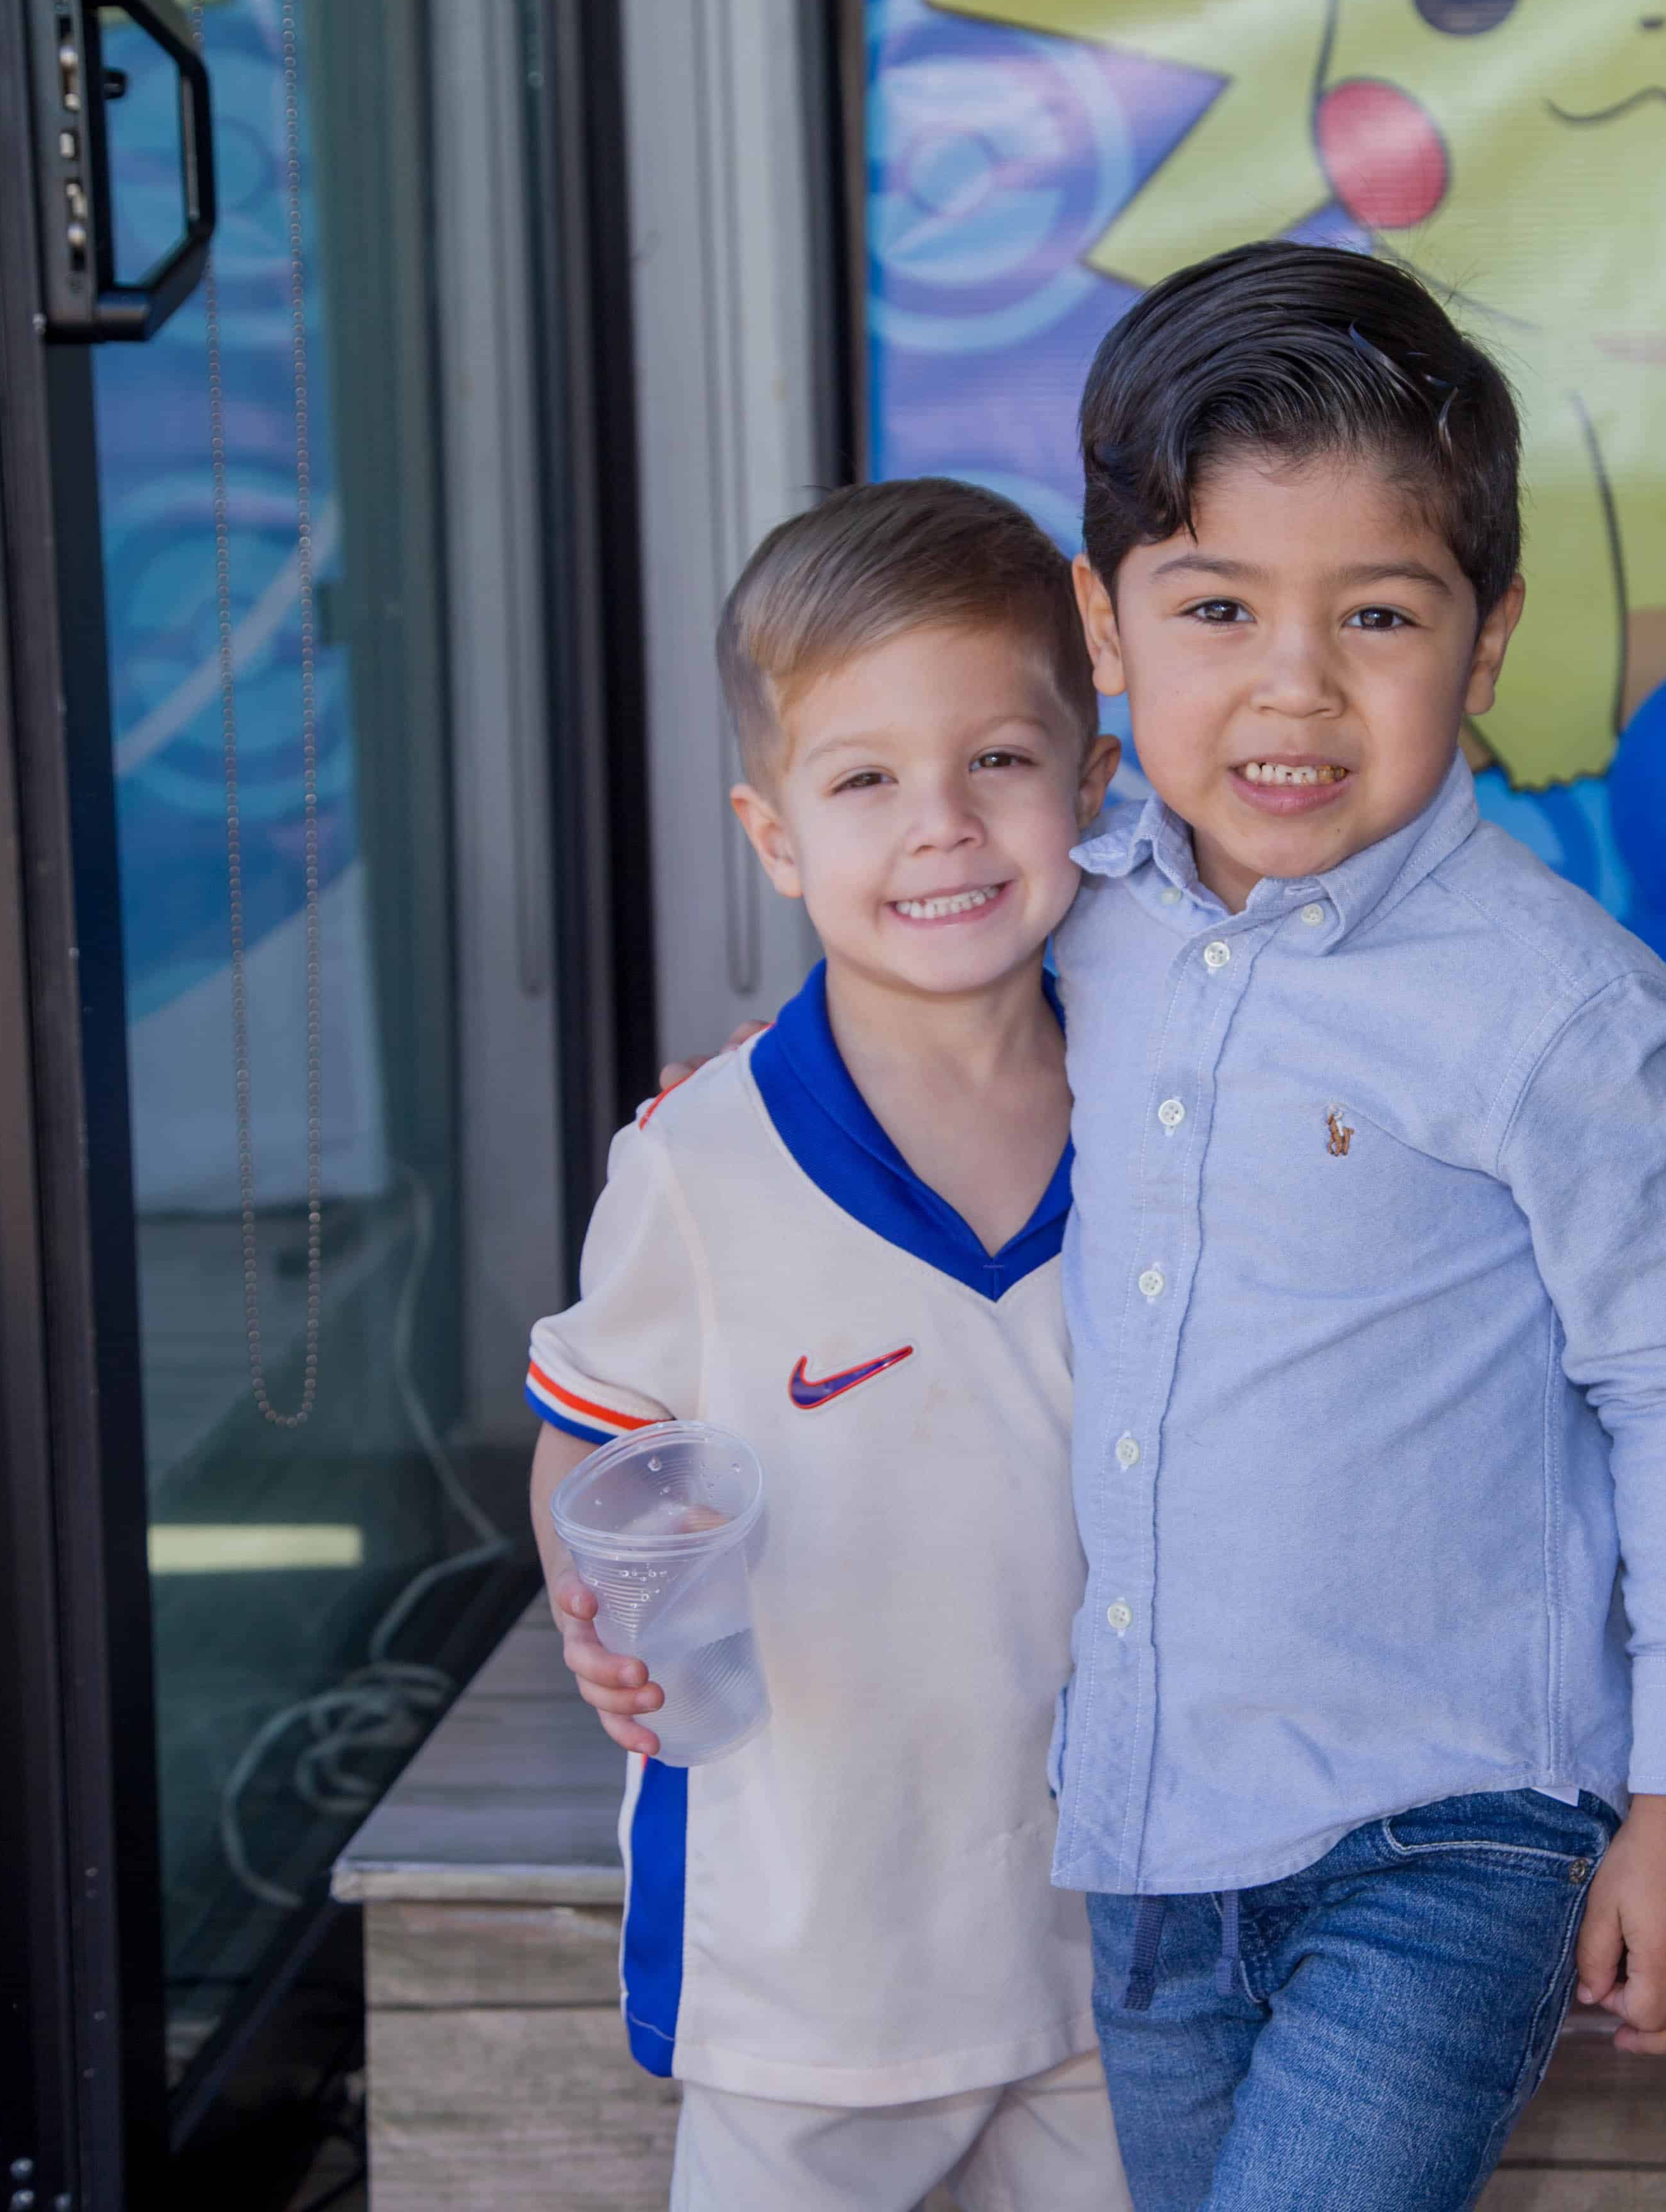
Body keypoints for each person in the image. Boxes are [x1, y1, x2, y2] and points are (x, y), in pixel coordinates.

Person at [1050, 240, 1666, 2208]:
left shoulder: (1555, 1006)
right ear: (1105, 630)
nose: (1292, 687)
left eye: (1375, 614)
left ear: (1485, 645)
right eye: (1216, 606)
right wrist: (740, 1106)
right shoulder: (1077, 923)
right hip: (1148, 1828)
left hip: (1447, 1834)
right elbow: (896, 1038)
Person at [526, 478, 1132, 2212]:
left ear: (1090, 781)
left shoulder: (1175, 1111)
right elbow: (593, 1425)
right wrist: (593, 1582)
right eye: (865, 781)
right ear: (777, 836)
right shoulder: (698, 1166)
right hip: (810, 1975)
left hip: (1111, 1956)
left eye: (999, 762)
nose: (940, 826)